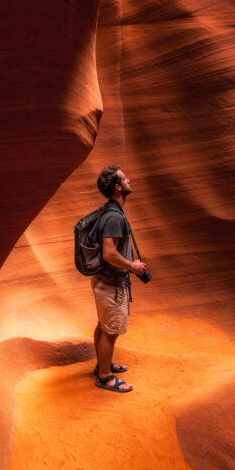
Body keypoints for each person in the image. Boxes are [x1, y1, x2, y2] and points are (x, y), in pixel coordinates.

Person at [92, 165, 147, 393]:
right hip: (111, 285)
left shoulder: (110, 211)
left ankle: (102, 365)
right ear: (117, 187)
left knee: (103, 326)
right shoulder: (114, 216)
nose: (129, 180)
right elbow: (109, 253)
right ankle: (105, 376)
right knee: (111, 332)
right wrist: (132, 266)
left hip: (103, 281)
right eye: (125, 179)